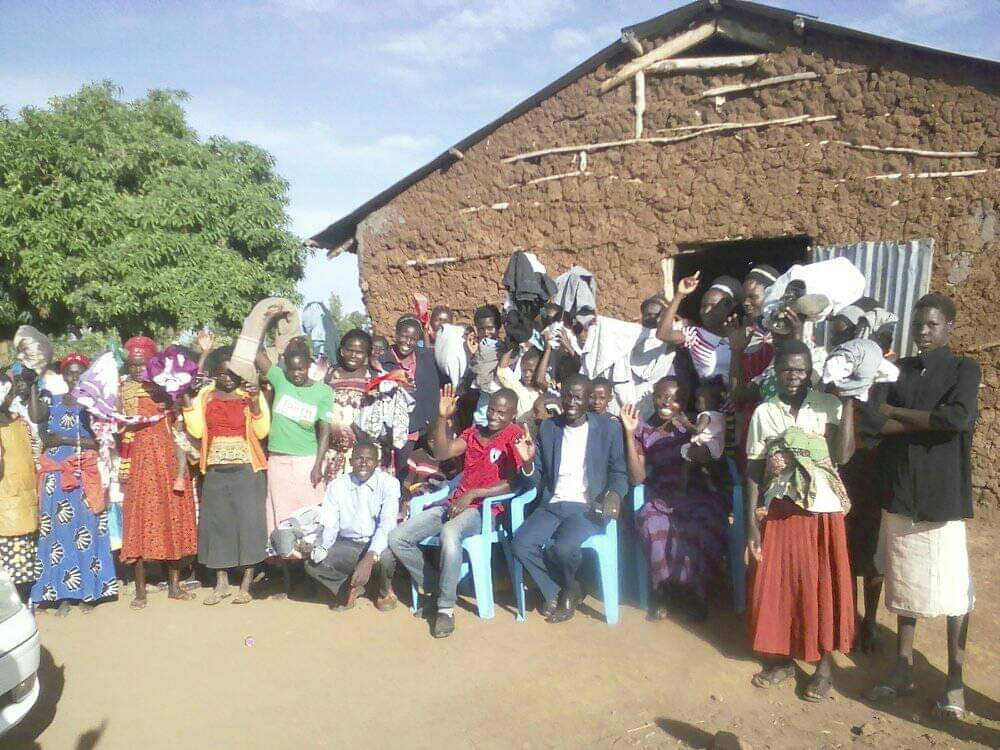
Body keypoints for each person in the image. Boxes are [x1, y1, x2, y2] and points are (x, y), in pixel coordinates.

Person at [869, 294, 980, 720]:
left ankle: (955, 680)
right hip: (902, 492)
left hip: (941, 496)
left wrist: (898, 412)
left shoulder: (964, 369)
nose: (923, 332)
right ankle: (903, 669)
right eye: (918, 324)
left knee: (954, 592)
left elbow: (958, 418)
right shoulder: (900, 369)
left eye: (932, 324)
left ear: (949, 326)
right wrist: (925, 419)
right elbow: (873, 422)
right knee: (904, 584)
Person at [745, 340, 856, 702]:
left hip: (822, 511)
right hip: (781, 509)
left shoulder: (828, 406)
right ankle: (783, 661)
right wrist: (751, 523)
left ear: (811, 372)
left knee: (820, 586)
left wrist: (849, 401)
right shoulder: (764, 413)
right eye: (786, 369)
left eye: (801, 370)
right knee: (781, 585)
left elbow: (843, 455)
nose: (794, 376)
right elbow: (753, 469)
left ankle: (823, 668)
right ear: (775, 372)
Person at [390, 385, 522, 638]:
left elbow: (513, 482)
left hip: (485, 510)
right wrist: (442, 418)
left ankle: (445, 609)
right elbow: (442, 452)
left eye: (502, 413)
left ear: (513, 415)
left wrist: (474, 494)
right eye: (492, 410)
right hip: (454, 502)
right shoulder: (474, 433)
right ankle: (435, 587)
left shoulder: (515, 437)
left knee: (450, 533)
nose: (494, 416)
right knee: (398, 538)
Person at [511, 374, 627, 623]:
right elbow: (536, 478)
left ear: (589, 399)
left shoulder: (608, 429)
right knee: (521, 543)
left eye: (578, 397)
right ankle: (561, 589)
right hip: (553, 503)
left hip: (586, 506)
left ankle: (568, 588)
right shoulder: (549, 428)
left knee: (563, 549)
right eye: (567, 396)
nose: (572, 402)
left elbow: (619, 471)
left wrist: (615, 495)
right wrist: (528, 462)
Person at [622, 378, 728, 621]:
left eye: (674, 399)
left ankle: (696, 590)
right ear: (653, 397)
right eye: (661, 396)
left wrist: (698, 443)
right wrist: (629, 434)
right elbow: (637, 478)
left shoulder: (695, 424)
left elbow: (714, 456)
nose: (666, 403)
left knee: (703, 523)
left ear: (683, 402)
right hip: (662, 495)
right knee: (652, 523)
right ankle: (663, 590)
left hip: (698, 492)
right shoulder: (643, 429)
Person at [183, 346, 270, 606]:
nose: (228, 379)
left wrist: (255, 403)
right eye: (222, 374)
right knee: (217, 524)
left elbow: (262, 431)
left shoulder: (249, 394)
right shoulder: (205, 396)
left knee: (249, 524)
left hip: (247, 470)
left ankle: (246, 584)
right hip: (215, 470)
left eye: (233, 374)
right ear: (213, 374)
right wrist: (187, 402)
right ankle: (221, 583)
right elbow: (197, 431)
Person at [29, 354, 117, 613]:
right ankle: (61, 594)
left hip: (83, 474)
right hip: (55, 477)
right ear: (63, 375)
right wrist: (33, 382)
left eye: (79, 372)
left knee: (85, 531)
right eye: (70, 372)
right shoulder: (53, 400)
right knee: (57, 534)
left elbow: (100, 442)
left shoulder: (94, 404)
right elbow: (36, 416)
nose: (74, 377)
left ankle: (88, 592)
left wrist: (64, 441)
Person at [118, 336, 198, 608]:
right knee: (138, 521)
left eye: (141, 364)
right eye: (132, 364)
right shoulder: (123, 391)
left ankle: (174, 586)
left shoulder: (168, 387)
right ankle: (140, 591)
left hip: (167, 462)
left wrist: (180, 469)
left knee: (172, 518)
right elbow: (117, 426)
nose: (136, 369)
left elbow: (180, 429)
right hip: (139, 463)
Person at [305, 441, 399, 612]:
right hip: (348, 545)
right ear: (350, 462)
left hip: (375, 545)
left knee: (386, 557)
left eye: (369, 459)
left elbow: (387, 524)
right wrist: (321, 547)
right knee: (312, 564)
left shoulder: (389, 484)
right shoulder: (337, 485)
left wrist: (369, 558)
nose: (363, 463)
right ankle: (349, 588)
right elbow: (330, 524)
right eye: (359, 458)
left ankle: (384, 591)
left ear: (377, 463)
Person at [257, 337, 332, 545]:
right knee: (281, 513)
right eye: (291, 369)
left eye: (301, 369)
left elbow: (325, 431)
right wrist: (266, 323)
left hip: (307, 461)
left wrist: (318, 465)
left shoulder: (323, 392)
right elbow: (257, 353)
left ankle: (306, 559)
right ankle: (284, 558)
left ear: (309, 365)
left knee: (308, 515)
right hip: (278, 461)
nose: (296, 374)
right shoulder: (281, 380)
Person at [728, 265, 779, 466]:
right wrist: (735, 351)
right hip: (751, 421)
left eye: (753, 296)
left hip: (779, 421)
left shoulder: (788, 334)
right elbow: (737, 394)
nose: (746, 303)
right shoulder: (744, 335)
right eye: (743, 298)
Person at [657, 270, 741, 386]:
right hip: (709, 395)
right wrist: (679, 295)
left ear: (728, 308)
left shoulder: (739, 334)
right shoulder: (695, 335)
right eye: (703, 306)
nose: (706, 311)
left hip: (739, 395)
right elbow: (663, 334)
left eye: (713, 306)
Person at [381, 316, 440, 476]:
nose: (407, 342)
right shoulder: (382, 361)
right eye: (404, 336)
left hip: (419, 428)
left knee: (410, 474)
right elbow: (375, 390)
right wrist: (396, 386)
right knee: (390, 472)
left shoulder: (427, 358)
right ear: (395, 334)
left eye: (413, 339)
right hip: (390, 429)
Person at [0, 374, 41, 602]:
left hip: (23, 501)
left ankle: (23, 606)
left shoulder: (18, 420)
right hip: (8, 505)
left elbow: (34, 452)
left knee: (22, 571)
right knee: (12, 574)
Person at [323, 329, 374, 480]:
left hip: (362, 456)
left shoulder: (373, 379)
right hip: (332, 452)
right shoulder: (329, 375)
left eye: (359, 352)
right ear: (341, 351)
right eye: (349, 350)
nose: (353, 355)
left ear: (367, 355)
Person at [496, 345, 542, 435]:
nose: (527, 374)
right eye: (524, 371)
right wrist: (511, 344)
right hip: (521, 438)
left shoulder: (546, 391)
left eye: (531, 371)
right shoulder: (518, 388)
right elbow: (502, 371)